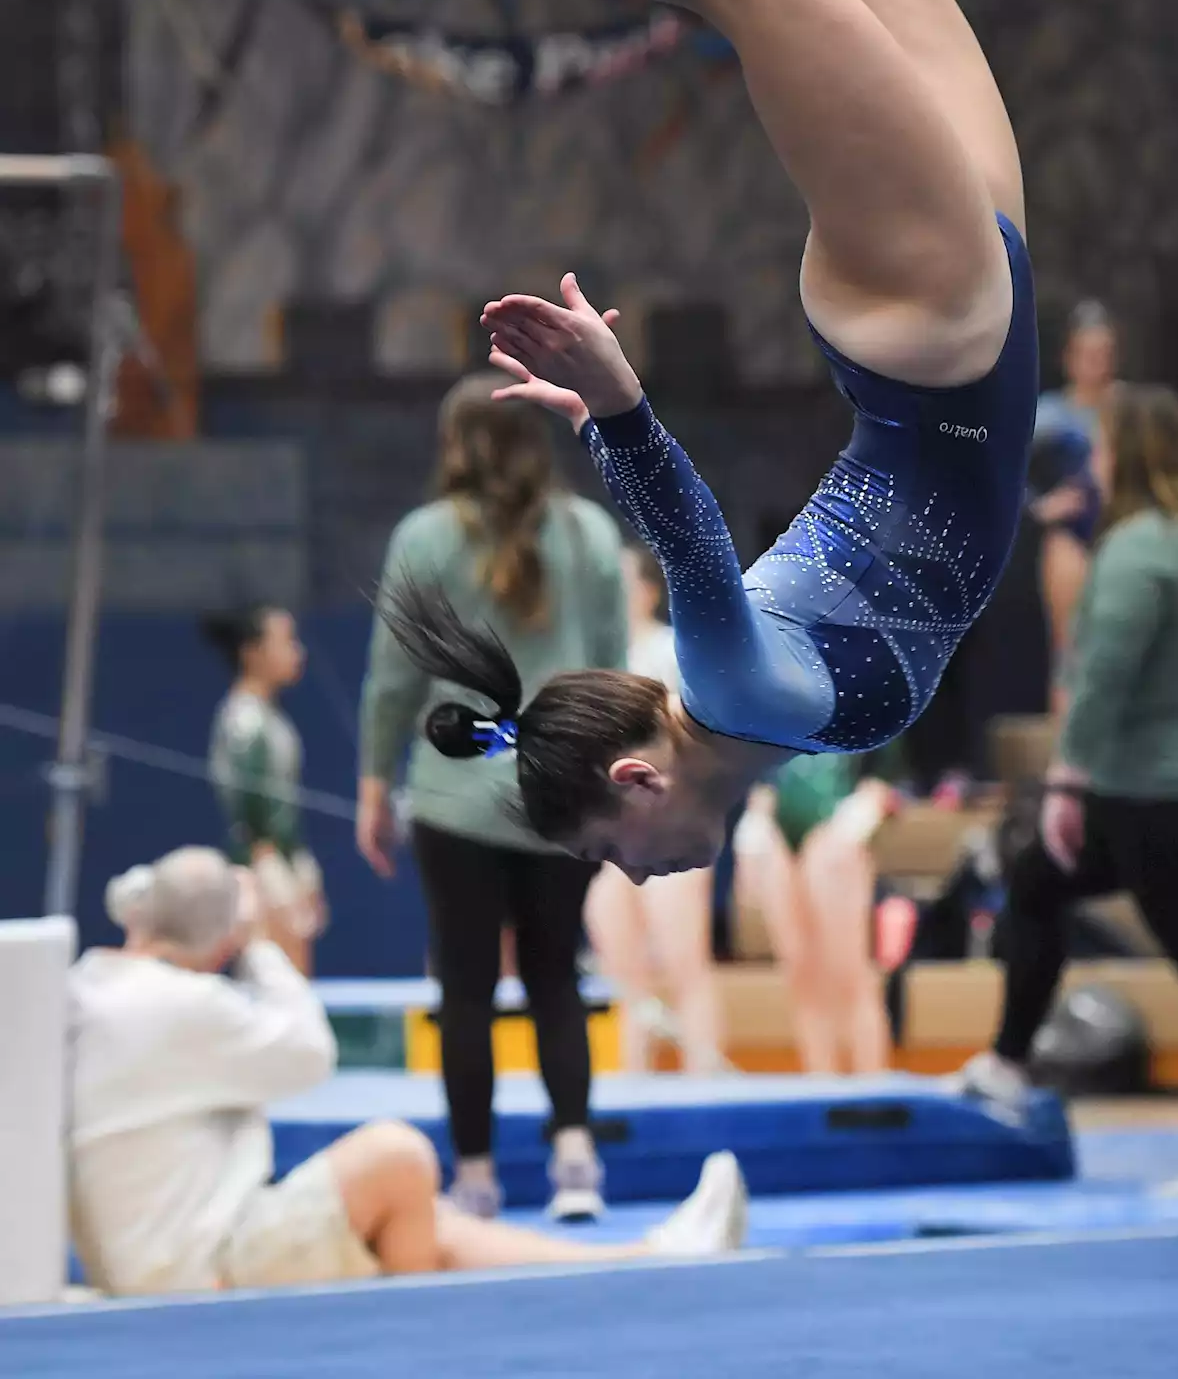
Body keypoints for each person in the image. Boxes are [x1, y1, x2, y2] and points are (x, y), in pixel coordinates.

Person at [294, 0, 1038, 879]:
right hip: (967, 313)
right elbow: (697, 554)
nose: (631, 875)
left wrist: (617, 411)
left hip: (932, 329)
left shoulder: (730, 685)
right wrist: (608, 418)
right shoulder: (761, 710)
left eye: (610, 852)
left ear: (635, 778)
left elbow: (690, 545)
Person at [67, 847, 749, 1297]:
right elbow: (310, 1052)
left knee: (427, 1221)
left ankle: (652, 1261)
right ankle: (421, 1346)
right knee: (397, 1160)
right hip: (192, 1272)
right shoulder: (180, 1004)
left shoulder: (93, 984)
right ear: (217, 943)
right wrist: (264, 945)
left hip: (165, 1258)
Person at [959, 385, 1178, 1196]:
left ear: (1126, 456)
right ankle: (1007, 1062)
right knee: (1036, 883)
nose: (1091, 462)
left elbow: (1103, 680)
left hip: (1149, 799)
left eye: (1102, 448)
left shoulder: (1137, 551)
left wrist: (1067, 780)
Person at [358, 374, 628, 1222]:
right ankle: (575, 1159)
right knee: (557, 981)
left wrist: (373, 783)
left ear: (455, 447)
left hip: (455, 797)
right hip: (560, 792)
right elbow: (615, 671)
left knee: (466, 991)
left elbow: (393, 681)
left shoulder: (425, 539)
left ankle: (474, 1177)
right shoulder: (588, 534)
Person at [585, 547, 726, 1073]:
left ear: (648, 590)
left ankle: (704, 1078)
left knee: (684, 961)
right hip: (616, 832)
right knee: (624, 972)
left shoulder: (674, 651)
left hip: (673, 824)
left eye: (623, 583)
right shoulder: (597, 659)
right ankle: (632, 1082)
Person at [733, 749, 902, 1073]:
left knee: (849, 970)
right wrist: (754, 823)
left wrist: (858, 817)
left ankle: (872, 1087)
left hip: (838, 820)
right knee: (799, 970)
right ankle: (820, 1080)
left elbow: (887, 767)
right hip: (775, 822)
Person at [205, 606, 326, 975]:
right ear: (252, 652)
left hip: (281, 860)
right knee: (281, 980)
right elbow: (247, 808)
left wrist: (301, 867)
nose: (298, 652)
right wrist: (273, 873)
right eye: (287, 641)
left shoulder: (267, 716)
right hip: (263, 867)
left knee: (294, 978)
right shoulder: (245, 721)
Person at [1028, 302, 1117, 669]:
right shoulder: (1049, 414)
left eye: (1104, 354)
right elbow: (1002, 467)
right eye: (1088, 354)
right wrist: (1038, 506)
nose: (1097, 362)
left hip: (1122, 531)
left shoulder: (1129, 408)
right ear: (1070, 358)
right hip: (1070, 539)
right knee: (1071, 651)